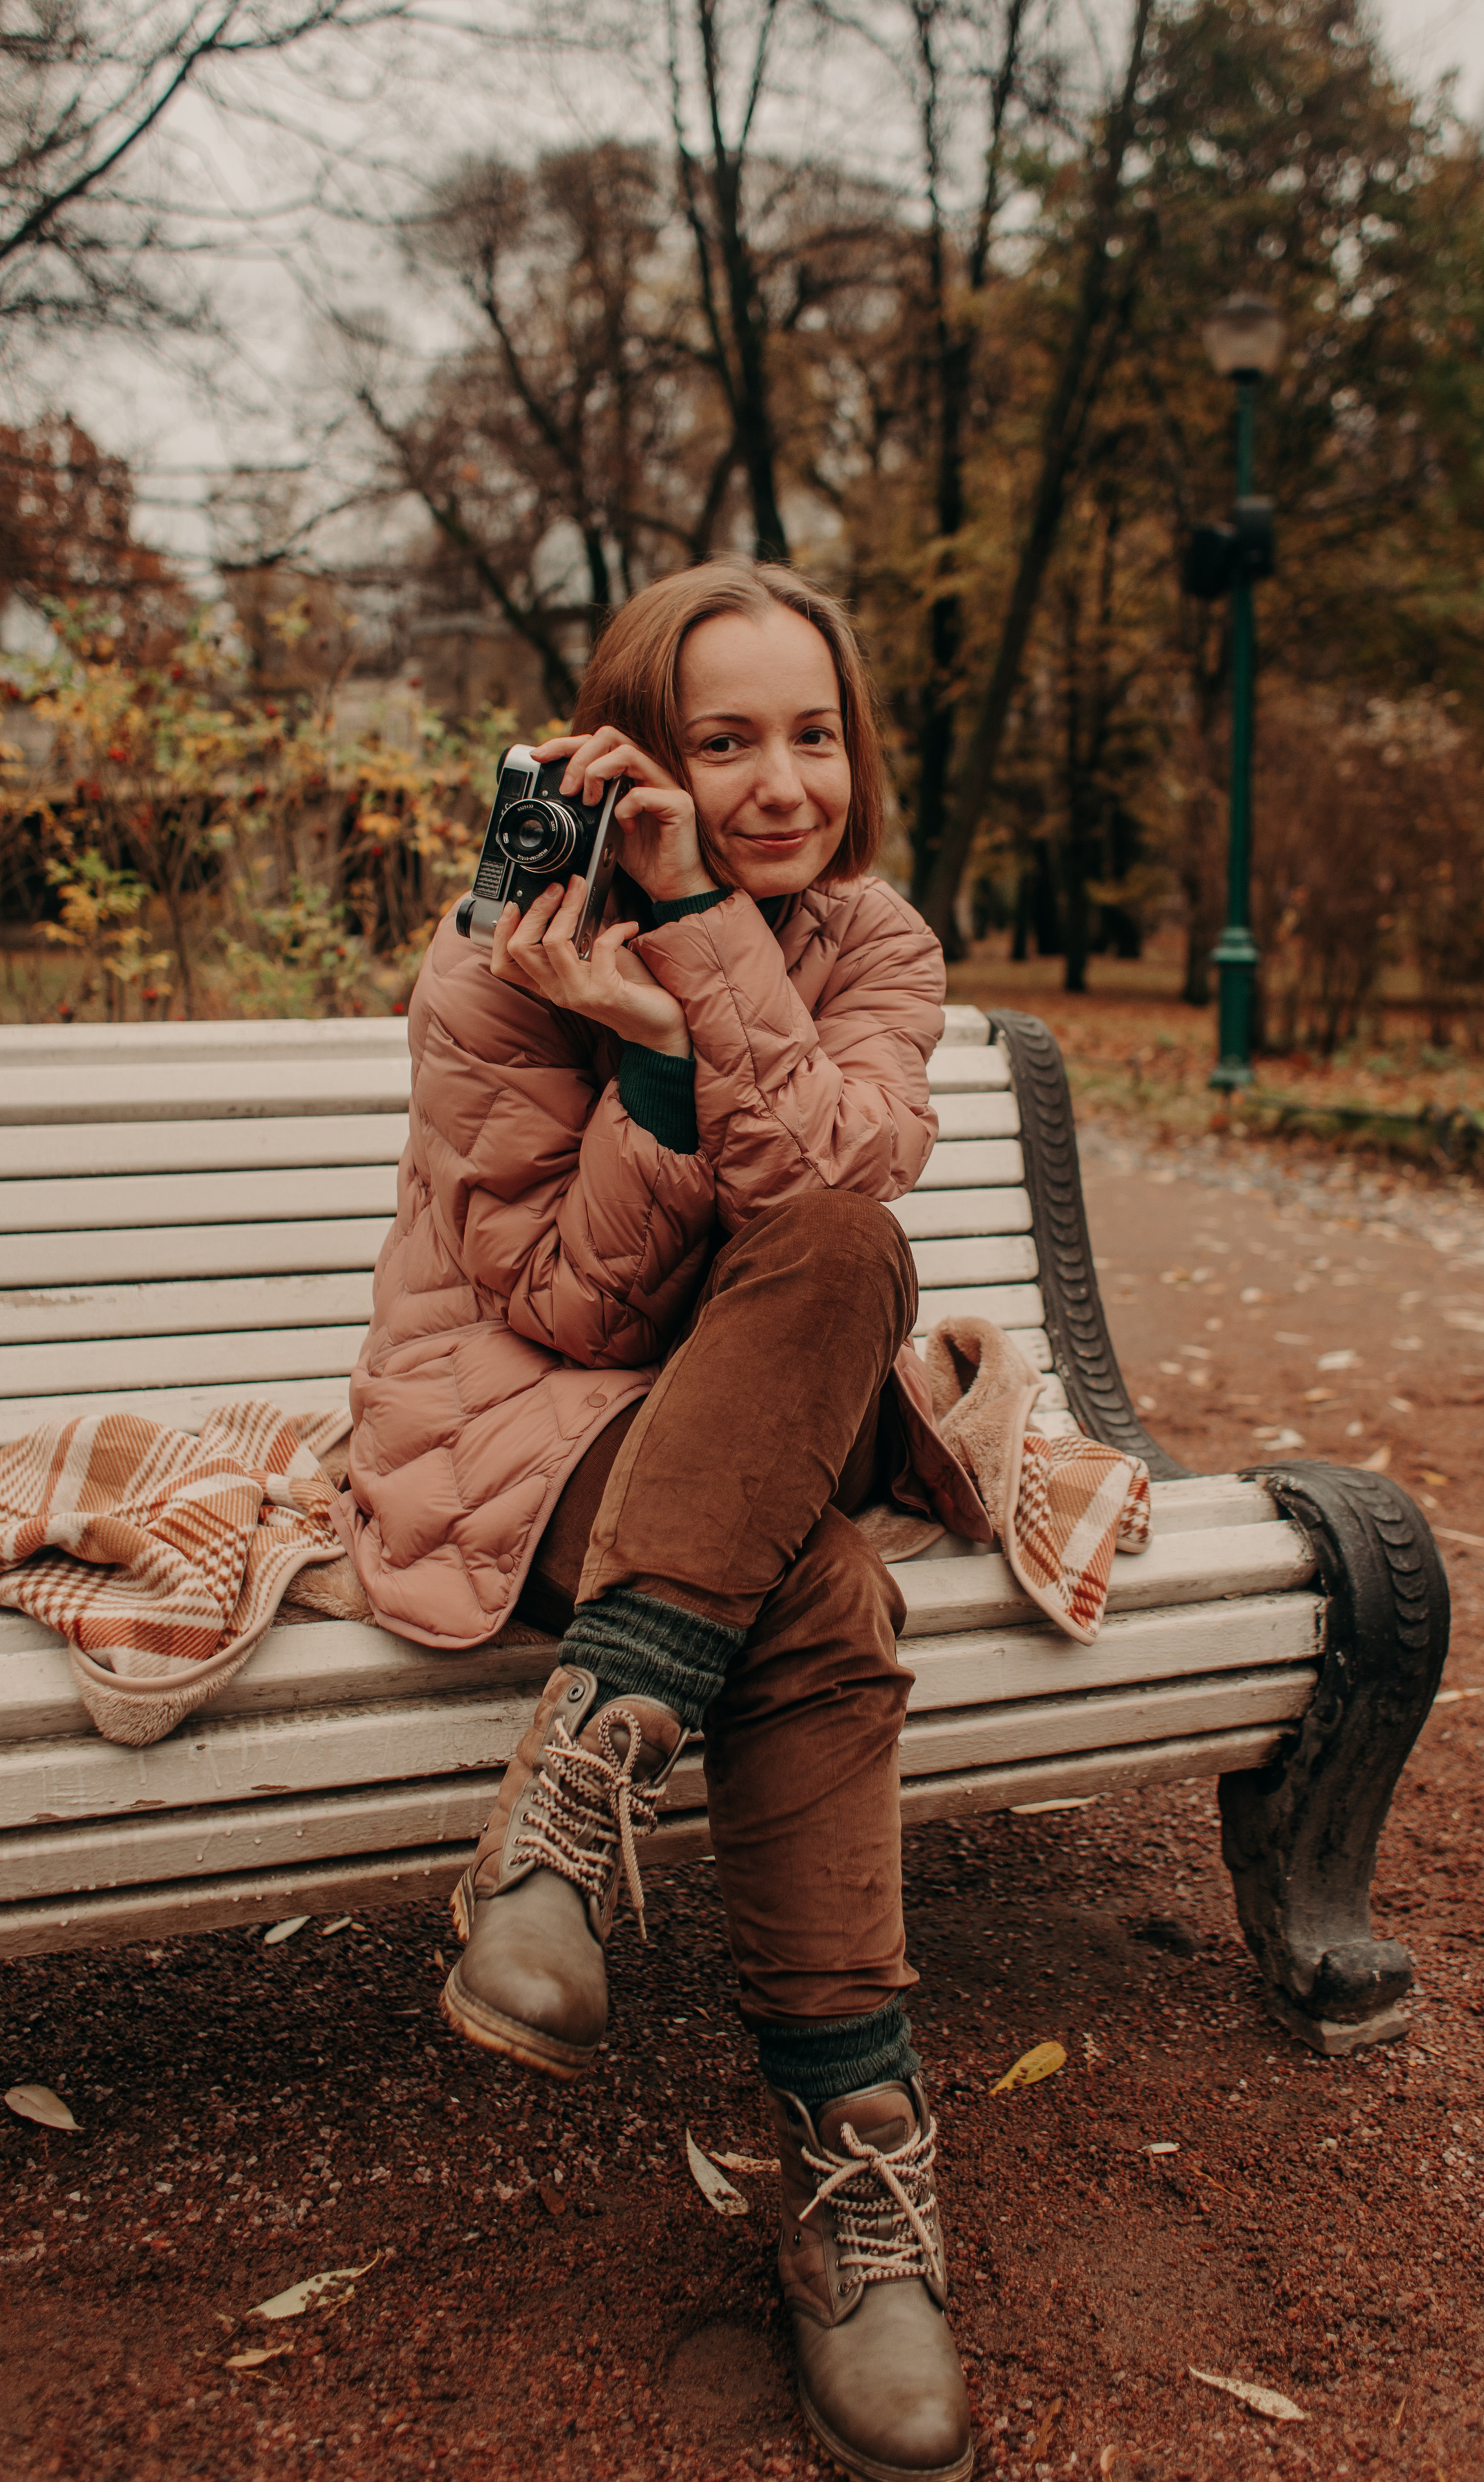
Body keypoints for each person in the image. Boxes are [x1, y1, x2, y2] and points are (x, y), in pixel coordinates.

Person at [339, 560, 992, 2482]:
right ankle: (857, 2169)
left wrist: (701, 940)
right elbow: (559, 1308)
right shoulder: (497, 961)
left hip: (756, 1393)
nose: (783, 781)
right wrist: (631, 1055)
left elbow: (836, 1190)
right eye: (725, 745)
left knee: (846, 1240)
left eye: (812, 734)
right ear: (643, 761)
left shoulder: (878, 945)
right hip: (521, 1425)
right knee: (818, 1598)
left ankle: (568, 1816)